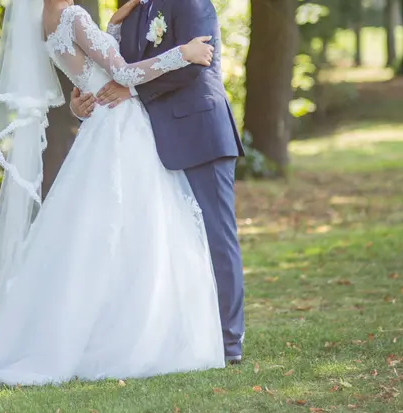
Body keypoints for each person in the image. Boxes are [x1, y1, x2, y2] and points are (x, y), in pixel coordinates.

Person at [0, 0, 225, 386]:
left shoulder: (47, 20)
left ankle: (108, 326)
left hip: (103, 124)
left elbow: (90, 73)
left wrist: (112, 32)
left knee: (102, 234)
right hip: (119, 128)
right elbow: (122, 72)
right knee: (131, 230)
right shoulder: (73, 15)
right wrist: (183, 53)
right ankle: (132, 334)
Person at [71, 0, 246, 364]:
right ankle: (185, 334)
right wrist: (84, 95)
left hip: (200, 131)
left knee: (216, 237)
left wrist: (131, 91)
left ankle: (229, 343)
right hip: (151, 140)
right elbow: (120, 67)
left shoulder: (192, 3)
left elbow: (197, 65)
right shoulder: (132, 11)